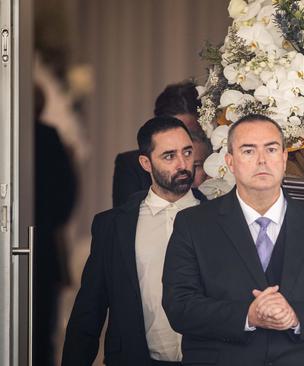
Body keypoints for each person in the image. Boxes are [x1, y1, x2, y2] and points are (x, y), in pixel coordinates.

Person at [162, 114, 304, 366]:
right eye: (248, 151)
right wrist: (247, 316)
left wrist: (295, 316)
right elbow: (178, 305)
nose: (262, 160)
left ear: (283, 158)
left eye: (271, 149)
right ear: (230, 162)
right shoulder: (193, 224)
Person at [62, 117, 207, 366]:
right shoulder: (113, 226)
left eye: (187, 152)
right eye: (169, 156)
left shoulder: (219, 218)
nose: (183, 164)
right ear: (146, 163)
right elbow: (89, 311)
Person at [33, 85, 78, 366]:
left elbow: (67, 190)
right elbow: (68, 190)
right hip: (45, 238)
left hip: (43, 239)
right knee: (42, 326)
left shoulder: (47, 136)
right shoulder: (48, 136)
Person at [112, 81, 204, 207]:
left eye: (192, 134)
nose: (182, 163)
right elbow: (125, 218)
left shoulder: (217, 160)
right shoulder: (130, 164)